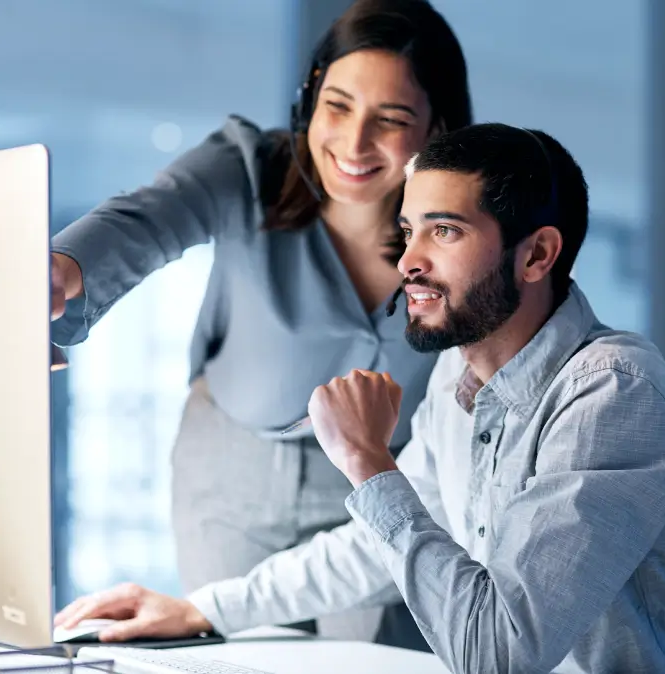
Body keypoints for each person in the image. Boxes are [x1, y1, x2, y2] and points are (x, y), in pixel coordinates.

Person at [54, 123, 665, 673]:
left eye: (443, 231)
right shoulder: (459, 376)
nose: (408, 260)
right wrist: (203, 610)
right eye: (408, 230)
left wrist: (366, 461)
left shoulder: (609, 396)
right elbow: (373, 547)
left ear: (536, 256)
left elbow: (498, 654)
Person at [48, 0, 470, 647]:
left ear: (436, 128)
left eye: (390, 119)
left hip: (380, 476)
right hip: (234, 473)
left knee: (378, 658)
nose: (353, 143)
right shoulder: (247, 167)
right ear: (309, 100)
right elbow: (147, 217)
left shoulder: (456, 232)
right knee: (238, 653)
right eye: (337, 106)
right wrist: (59, 269)